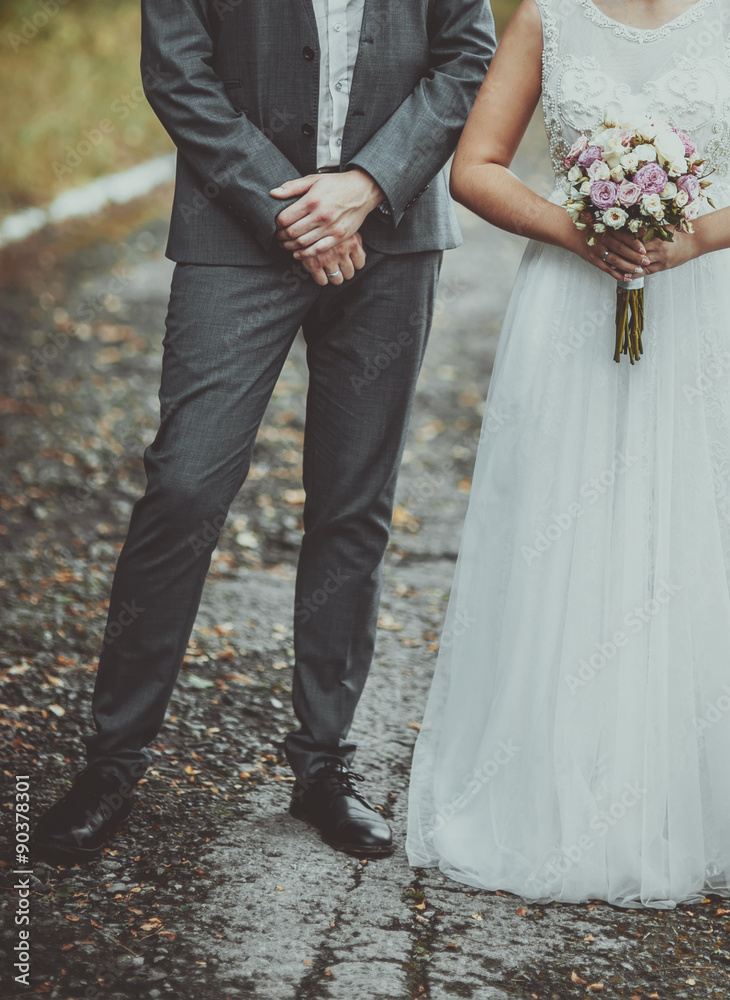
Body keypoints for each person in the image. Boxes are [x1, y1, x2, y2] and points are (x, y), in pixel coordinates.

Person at [33, 0, 496, 862]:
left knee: (354, 503)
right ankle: (111, 764)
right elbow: (178, 70)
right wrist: (289, 209)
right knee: (183, 486)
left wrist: (367, 183)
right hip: (233, 232)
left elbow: (466, 56)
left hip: (391, 235)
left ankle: (325, 765)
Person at [406, 0, 730, 908]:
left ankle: (703, 803)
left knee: (692, 529)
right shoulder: (547, 17)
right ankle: (554, 786)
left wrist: (692, 238)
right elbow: (474, 169)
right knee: (564, 533)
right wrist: (580, 230)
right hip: (567, 304)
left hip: (702, 313)